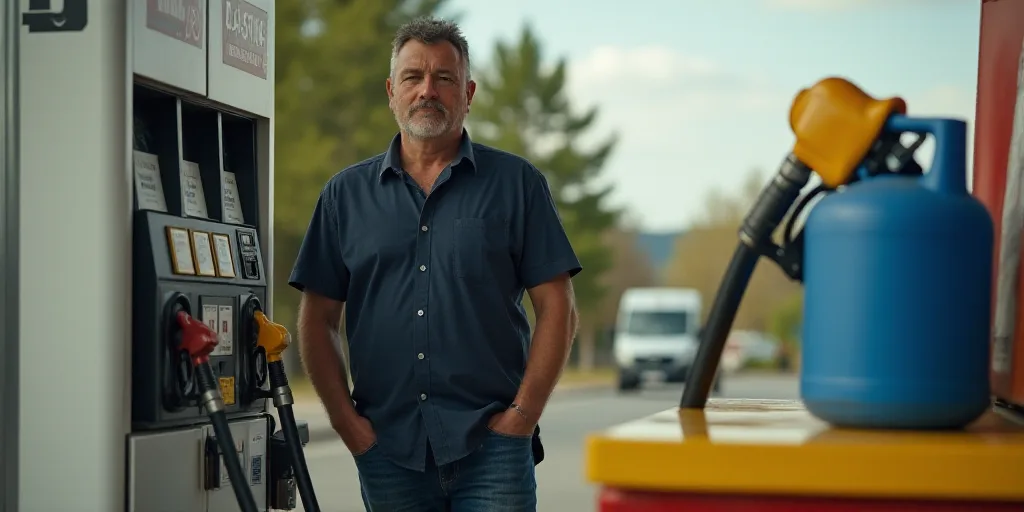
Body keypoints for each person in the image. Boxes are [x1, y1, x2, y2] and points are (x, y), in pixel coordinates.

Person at [288, 16, 582, 512]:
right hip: (389, 450)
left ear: (468, 92)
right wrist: (348, 424)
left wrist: (522, 418)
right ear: (391, 91)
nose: (428, 90)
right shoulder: (344, 196)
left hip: (493, 450)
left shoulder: (517, 184)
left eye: (444, 78)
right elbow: (317, 320)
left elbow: (559, 309)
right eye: (413, 77)